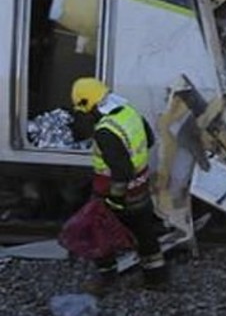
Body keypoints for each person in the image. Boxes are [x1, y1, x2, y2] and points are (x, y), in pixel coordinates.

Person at [70, 77, 168, 295]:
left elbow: (122, 171)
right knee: (145, 234)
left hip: (115, 192)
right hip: (141, 188)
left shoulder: (105, 131)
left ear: (88, 104)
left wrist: (114, 200)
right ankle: (157, 278)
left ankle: (106, 278)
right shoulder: (128, 112)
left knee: (97, 233)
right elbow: (149, 140)